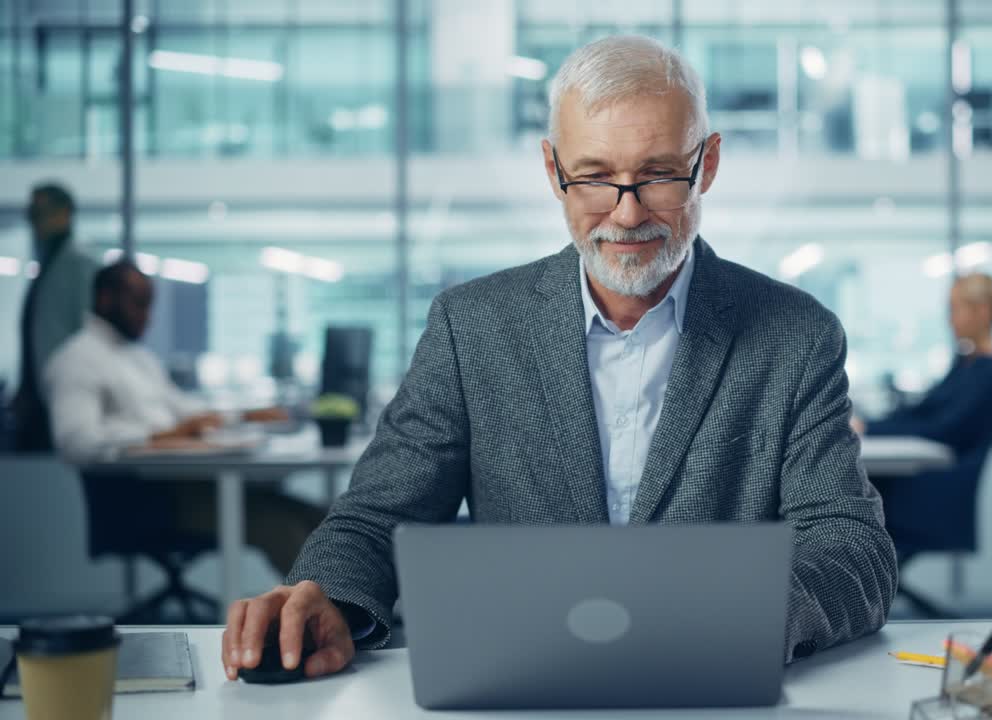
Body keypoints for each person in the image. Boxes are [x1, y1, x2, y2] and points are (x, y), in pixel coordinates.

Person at [222, 35, 897, 681]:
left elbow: (851, 546)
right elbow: (376, 518)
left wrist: (746, 616)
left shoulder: (795, 334)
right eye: (596, 177)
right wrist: (327, 597)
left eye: (659, 174)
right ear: (554, 172)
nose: (627, 214)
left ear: (707, 165)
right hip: (523, 684)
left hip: (719, 689)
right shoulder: (473, 327)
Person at [43, 260, 325, 576]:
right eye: (139, 305)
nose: (147, 318)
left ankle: (365, 616)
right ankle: (324, 620)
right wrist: (157, 437)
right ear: (105, 298)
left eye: (150, 306)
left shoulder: (138, 357)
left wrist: (246, 415)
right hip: (146, 502)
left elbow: (185, 412)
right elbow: (75, 443)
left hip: (190, 486)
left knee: (319, 519)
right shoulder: (76, 360)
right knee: (281, 527)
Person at [852, 273, 992, 456]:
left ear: (983, 311)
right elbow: (920, 412)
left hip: (948, 476)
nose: (950, 320)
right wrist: (865, 425)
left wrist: (869, 429)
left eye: (955, 310)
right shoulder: (964, 364)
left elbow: (942, 429)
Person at [11, 183, 100, 452]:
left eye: (43, 213)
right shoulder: (47, 263)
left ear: (66, 213)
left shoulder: (79, 263)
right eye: (33, 215)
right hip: (39, 396)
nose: (37, 222)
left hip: (64, 394)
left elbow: (87, 332)